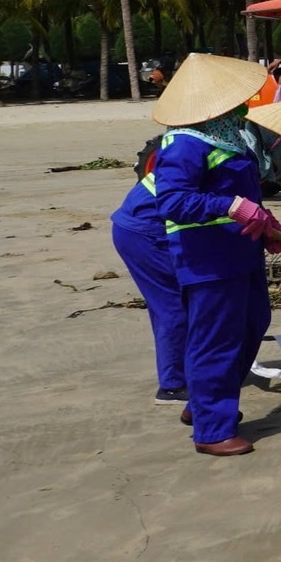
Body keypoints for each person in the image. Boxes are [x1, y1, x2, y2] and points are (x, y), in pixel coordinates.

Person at [149, 55, 281, 456]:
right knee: (216, 339)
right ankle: (212, 429)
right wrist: (231, 208)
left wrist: (265, 227)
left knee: (254, 321)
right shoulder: (186, 142)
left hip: (239, 250)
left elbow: (249, 195)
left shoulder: (229, 135)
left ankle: (203, 404)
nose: (242, 104)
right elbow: (173, 202)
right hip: (207, 257)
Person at [109, 157, 188, 406]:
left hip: (147, 226)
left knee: (173, 305)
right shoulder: (196, 150)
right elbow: (189, 204)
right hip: (144, 232)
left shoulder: (215, 147)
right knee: (175, 306)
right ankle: (173, 386)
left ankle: (189, 370)